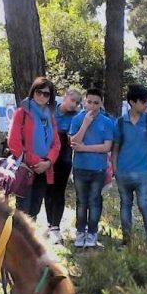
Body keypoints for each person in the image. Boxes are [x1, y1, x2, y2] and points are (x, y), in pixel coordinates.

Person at [111, 84, 147, 242]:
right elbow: (116, 147)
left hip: (143, 172)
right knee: (125, 204)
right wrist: (115, 168)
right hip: (123, 171)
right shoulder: (120, 122)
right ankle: (127, 240)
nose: (146, 104)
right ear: (132, 102)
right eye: (143, 101)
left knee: (144, 205)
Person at [7, 77, 61, 219]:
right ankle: (17, 240)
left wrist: (48, 162)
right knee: (22, 211)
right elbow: (14, 142)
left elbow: (56, 144)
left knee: (35, 209)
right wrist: (35, 161)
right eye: (39, 92)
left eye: (46, 94)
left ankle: (29, 240)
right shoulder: (21, 113)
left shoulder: (51, 116)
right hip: (26, 168)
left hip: (44, 169)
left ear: (50, 97)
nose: (42, 96)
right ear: (33, 92)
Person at [69, 88, 114, 248]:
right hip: (80, 168)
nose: (92, 106)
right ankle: (80, 231)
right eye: (89, 102)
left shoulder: (107, 122)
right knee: (81, 202)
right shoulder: (77, 119)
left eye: (96, 103)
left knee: (94, 201)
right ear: (84, 102)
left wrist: (85, 148)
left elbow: (106, 146)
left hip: (98, 169)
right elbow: (73, 143)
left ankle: (92, 232)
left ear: (100, 103)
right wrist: (85, 124)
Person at [44, 89, 82, 244]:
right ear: (65, 97)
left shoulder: (77, 117)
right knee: (47, 191)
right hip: (46, 155)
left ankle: (56, 227)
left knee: (58, 192)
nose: (74, 104)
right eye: (72, 100)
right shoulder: (50, 109)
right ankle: (49, 223)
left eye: (77, 102)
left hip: (64, 156)